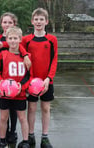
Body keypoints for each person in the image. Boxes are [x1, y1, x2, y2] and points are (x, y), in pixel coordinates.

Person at [21, 8, 58, 148]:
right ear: (32, 21)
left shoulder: (52, 40)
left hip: (46, 81)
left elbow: (54, 60)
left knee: (46, 108)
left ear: (46, 22)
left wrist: (49, 78)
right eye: (36, 19)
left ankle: (45, 137)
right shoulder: (26, 40)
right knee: (31, 108)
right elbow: (19, 49)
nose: (38, 22)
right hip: (31, 81)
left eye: (41, 19)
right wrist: (25, 55)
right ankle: (31, 136)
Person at [0, 12, 31, 144]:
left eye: (16, 38)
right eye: (10, 38)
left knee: (22, 118)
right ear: (6, 40)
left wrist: (22, 87)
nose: (13, 41)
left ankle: (25, 141)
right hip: (4, 93)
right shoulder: (2, 54)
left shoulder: (26, 57)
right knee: (3, 118)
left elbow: (28, 75)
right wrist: (1, 81)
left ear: (20, 40)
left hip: (20, 94)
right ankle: (2, 141)